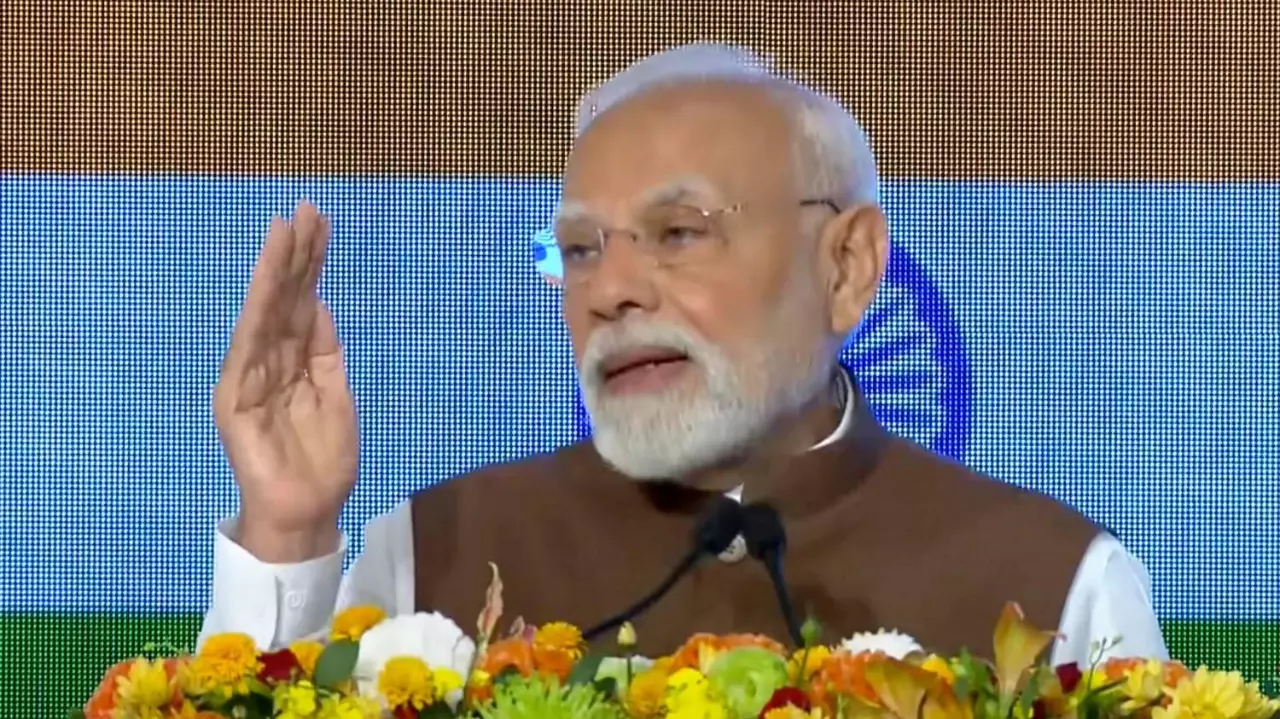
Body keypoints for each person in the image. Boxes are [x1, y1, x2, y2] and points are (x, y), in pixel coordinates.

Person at [201, 43, 1168, 663]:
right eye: (578, 249)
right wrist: (285, 539)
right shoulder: (433, 557)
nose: (610, 289)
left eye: (679, 232)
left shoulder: (1059, 587)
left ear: (849, 266)